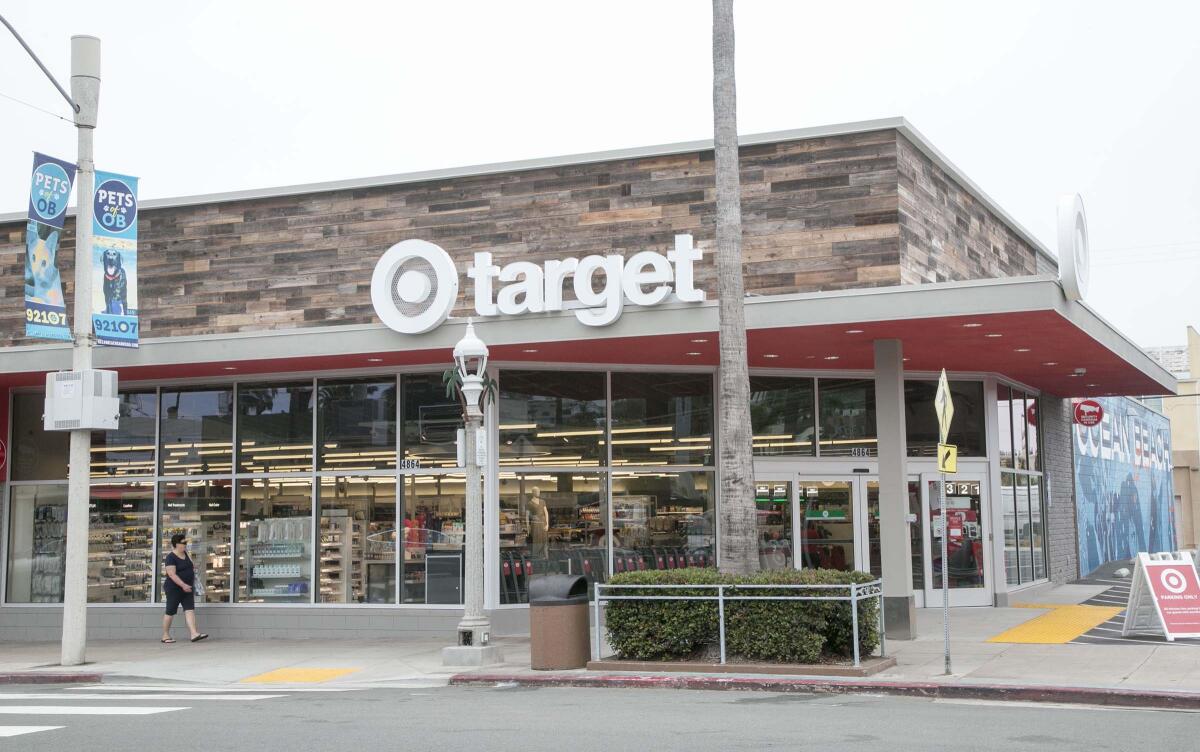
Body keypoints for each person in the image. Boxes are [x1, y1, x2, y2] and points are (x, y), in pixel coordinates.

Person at [161, 533, 208, 644]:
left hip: (188, 587)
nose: (185, 545)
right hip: (174, 588)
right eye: (183, 543)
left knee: (189, 609)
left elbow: (191, 566)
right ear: (176, 544)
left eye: (185, 543)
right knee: (170, 611)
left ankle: (194, 633)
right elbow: (172, 574)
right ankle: (165, 635)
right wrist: (183, 585)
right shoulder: (170, 558)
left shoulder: (186, 554)